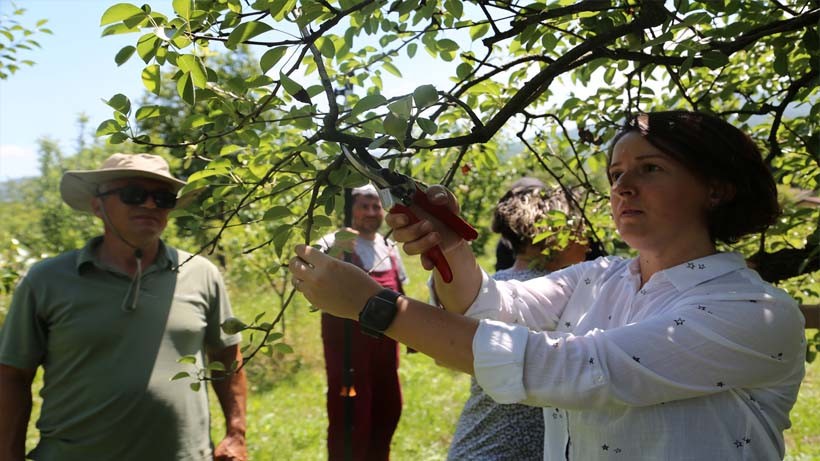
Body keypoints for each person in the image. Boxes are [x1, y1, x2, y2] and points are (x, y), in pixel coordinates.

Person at [289, 111, 806, 460]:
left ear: (716, 188)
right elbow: (490, 308)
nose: (623, 186)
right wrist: (451, 245)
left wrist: (373, 305)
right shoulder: (599, 278)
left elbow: (574, 369)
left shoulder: (752, 311)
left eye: (650, 169)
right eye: (616, 172)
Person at [0, 153, 248, 461]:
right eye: (133, 194)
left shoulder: (200, 274)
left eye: (162, 197)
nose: (149, 205)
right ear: (97, 206)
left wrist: (236, 434)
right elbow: (12, 375)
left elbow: (227, 357)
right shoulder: (48, 280)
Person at [447, 179, 588, 461]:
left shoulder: (488, 287)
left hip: (479, 442)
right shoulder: (568, 293)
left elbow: (446, 357)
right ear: (559, 233)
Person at [316, 184, 408, 461]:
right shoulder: (333, 242)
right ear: (350, 209)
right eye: (363, 205)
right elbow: (313, 289)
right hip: (348, 356)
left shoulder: (388, 246)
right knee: (352, 419)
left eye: (375, 206)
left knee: (388, 410)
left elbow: (401, 293)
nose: (371, 212)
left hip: (385, 354)